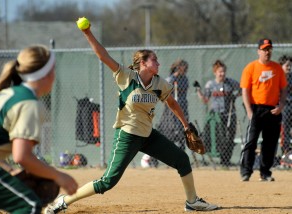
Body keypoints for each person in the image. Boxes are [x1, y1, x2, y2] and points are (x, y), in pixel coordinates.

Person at [44, 20, 218, 213]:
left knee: (182, 160)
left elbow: (172, 103)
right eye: (154, 60)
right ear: (143, 63)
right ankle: (64, 200)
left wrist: (185, 125)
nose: (158, 63)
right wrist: (87, 32)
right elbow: (102, 56)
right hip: (127, 135)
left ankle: (192, 201)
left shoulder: (160, 83)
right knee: (108, 182)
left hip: (148, 135)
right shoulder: (127, 77)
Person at [0, 45, 78, 213]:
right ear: (46, 74)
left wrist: (9, 169)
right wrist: (58, 175)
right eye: (53, 70)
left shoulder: (8, 94)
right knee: (29, 206)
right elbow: (22, 156)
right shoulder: (28, 103)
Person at [239, 39, 287, 182]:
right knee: (251, 141)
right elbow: (245, 91)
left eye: (269, 49)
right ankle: (246, 171)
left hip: (273, 110)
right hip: (256, 109)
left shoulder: (277, 68)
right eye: (264, 49)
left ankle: (265, 172)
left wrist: (281, 105)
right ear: (258, 51)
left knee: (270, 143)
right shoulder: (251, 68)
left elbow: (284, 89)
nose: (267, 52)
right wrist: (249, 111)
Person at [195, 60, 241, 167]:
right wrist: (198, 90)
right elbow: (205, 100)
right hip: (216, 116)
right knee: (219, 138)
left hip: (229, 115)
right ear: (215, 72)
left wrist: (235, 95)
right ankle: (220, 158)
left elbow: (242, 89)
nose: (222, 74)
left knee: (230, 137)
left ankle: (226, 161)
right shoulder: (211, 84)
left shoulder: (231, 82)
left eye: (224, 71)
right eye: (220, 72)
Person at [278, 55, 292, 155]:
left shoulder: (291, 78)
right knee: (284, 131)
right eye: (287, 65)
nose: (289, 67)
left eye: (290, 65)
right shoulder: (277, 78)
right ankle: (285, 153)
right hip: (283, 107)